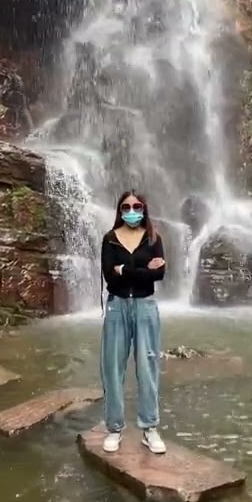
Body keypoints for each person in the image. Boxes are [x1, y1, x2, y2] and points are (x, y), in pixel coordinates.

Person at [99, 190, 168, 454]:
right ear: (119, 210)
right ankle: (114, 428)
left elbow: (159, 274)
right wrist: (143, 271)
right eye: (126, 206)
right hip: (117, 307)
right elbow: (110, 277)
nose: (131, 210)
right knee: (112, 368)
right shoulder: (110, 239)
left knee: (148, 366)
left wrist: (125, 270)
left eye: (136, 206)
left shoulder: (153, 238)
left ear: (144, 209)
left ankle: (149, 428)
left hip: (145, 307)